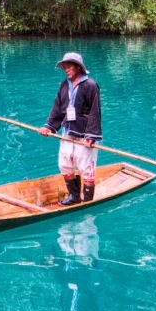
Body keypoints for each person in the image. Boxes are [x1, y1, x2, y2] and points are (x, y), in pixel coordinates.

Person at [40, 51, 102, 204]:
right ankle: (74, 197)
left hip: (84, 136)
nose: (66, 70)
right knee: (65, 165)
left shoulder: (90, 85)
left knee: (86, 168)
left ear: (78, 68)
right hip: (67, 133)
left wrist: (91, 136)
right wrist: (49, 127)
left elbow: (95, 112)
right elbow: (57, 108)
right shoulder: (63, 85)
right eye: (64, 67)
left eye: (69, 67)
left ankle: (87, 201)